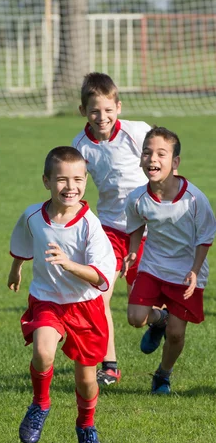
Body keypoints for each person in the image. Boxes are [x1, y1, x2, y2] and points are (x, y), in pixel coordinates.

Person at [7, 146, 116, 443]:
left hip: (85, 305)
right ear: (46, 181)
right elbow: (23, 241)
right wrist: (16, 269)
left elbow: (101, 276)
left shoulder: (89, 225)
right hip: (47, 300)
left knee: (86, 380)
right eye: (62, 179)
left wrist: (69, 264)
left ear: (86, 182)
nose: (70, 187)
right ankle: (40, 404)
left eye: (78, 179)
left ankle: (86, 424)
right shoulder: (33, 215)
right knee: (43, 352)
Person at [122, 126, 216, 394]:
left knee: (176, 334)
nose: (153, 159)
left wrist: (195, 271)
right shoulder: (137, 198)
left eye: (161, 154)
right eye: (147, 153)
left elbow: (205, 237)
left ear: (175, 162)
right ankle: (158, 320)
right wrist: (132, 250)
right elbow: (137, 222)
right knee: (135, 317)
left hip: (186, 273)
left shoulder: (194, 199)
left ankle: (163, 375)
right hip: (152, 268)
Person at [72, 72, 151, 386]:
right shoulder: (80, 146)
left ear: (118, 107)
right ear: (83, 112)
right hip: (109, 230)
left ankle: (158, 321)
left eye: (107, 110)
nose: (101, 117)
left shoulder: (136, 132)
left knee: (139, 314)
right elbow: (75, 184)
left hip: (146, 230)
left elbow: (163, 161)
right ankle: (110, 364)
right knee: (99, 295)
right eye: (94, 111)